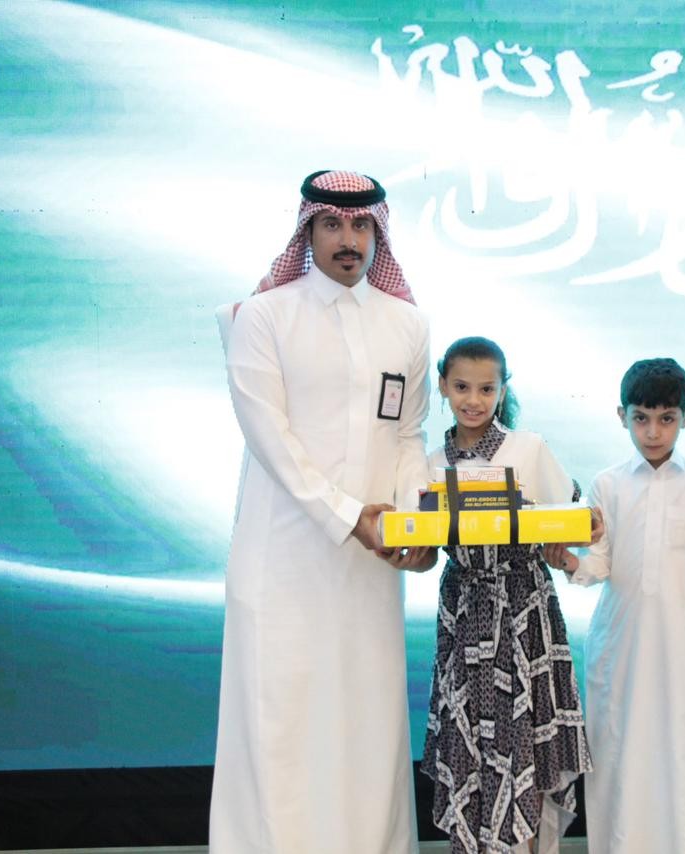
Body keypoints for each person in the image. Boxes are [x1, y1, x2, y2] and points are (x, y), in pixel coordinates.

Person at [210, 170, 434, 854]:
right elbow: (270, 439)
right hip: (282, 561)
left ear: (378, 233)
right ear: (307, 230)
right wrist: (349, 515)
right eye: (332, 224)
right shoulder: (263, 318)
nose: (348, 240)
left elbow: (408, 436)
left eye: (361, 225)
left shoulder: (407, 324)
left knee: (366, 728)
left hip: (370, 569)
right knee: (281, 726)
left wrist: (416, 522)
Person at [546, 357, 685, 854]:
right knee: (617, 758)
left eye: (666, 418)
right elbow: (600, 564)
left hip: (683, 649)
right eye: (641, 418)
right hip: (619, 649)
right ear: (622, 416)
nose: (653, 432)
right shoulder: (607, 484)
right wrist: (568, 561)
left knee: (681, 759)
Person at [421, 336, 593, 854]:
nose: (473, 400)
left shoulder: (528, 448)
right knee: (471, 738)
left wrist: (577, 532)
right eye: (461, 387)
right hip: (464, 610)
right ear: (443, 386)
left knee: (528, 737)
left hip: (523, 606)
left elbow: (576, 516)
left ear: (502, 389)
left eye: (486, 389)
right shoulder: (429, 461)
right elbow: (420, 543)